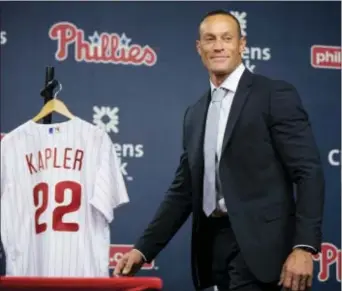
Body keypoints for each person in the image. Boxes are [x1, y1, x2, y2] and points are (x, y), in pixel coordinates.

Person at [114, 9, 325, 291]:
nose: (218, 46)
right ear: (199, 47)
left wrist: (304, 247)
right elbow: (183, 191)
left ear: (242, 45)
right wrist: (143, 250)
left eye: (227, 38)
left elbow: (308, 171)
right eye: (210, 39)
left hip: (266, 251)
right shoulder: (195, 113)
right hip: (212, 251)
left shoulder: (273, 95)